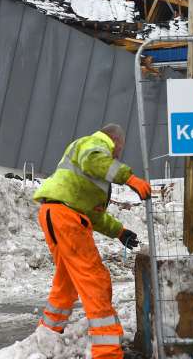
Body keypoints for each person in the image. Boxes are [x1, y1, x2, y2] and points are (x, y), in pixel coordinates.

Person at [32, 123, 151, 359]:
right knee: (95, 279)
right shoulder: (95, 146)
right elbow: (94, 161)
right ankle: (107, 351)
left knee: (67, 280)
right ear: (115, 141)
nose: (119, 153)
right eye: (121, 148)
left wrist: (120, 232)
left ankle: (47, 333)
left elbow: (93, 214)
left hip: (57, 214)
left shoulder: (87, 168)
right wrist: (130, 179)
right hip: (67, 218)